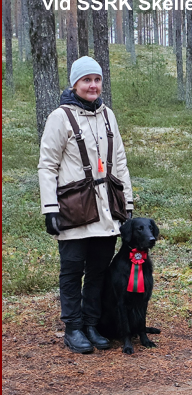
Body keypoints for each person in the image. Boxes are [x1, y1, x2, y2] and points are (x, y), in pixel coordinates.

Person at [38, 56, 134, 353]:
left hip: (106, 213)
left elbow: (119, 161)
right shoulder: (60, 117)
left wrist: (127, 203)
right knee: (71, 272)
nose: (93, 85)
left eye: (97, 80)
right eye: (86, 80)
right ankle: (74, 328)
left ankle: (92, 324)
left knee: (97, 271)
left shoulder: (108, 116)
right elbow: (47, 166)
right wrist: (50, 208)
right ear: (75, 83)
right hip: (73, 211)